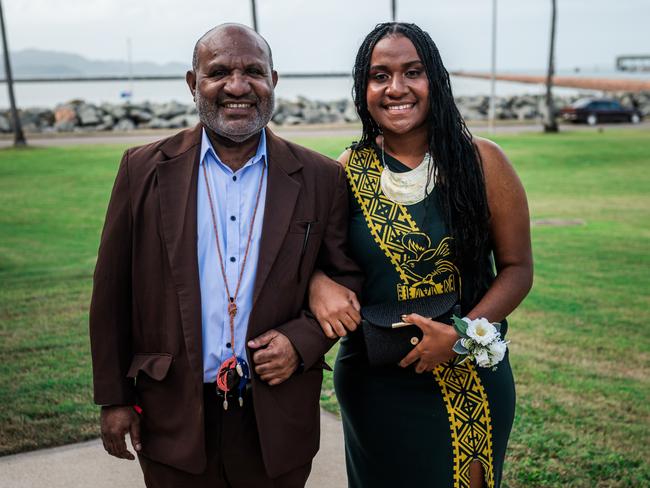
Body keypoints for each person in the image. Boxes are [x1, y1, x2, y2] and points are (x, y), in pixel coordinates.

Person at [89, 23, 361, 488]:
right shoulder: (142, 170)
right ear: (194, 83)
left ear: (273, 81)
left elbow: (347, 280)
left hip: (275, 420)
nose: (238, 86)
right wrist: (114, 399)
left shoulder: (320, 177)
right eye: (219, 72)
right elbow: (112, 292)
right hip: (171, 412)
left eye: (253, 71)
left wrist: (302, 340)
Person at [308, 22, 533, 488]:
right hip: (376, 384)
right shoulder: (347, 170)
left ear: (436, 79)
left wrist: (461, 335)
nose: (397, 88)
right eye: (380, 75)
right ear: (362, 88)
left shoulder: (481, 160)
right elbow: (312, 261)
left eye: (413, 72)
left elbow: (516, 269)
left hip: (467, 371)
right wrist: (317, 283)